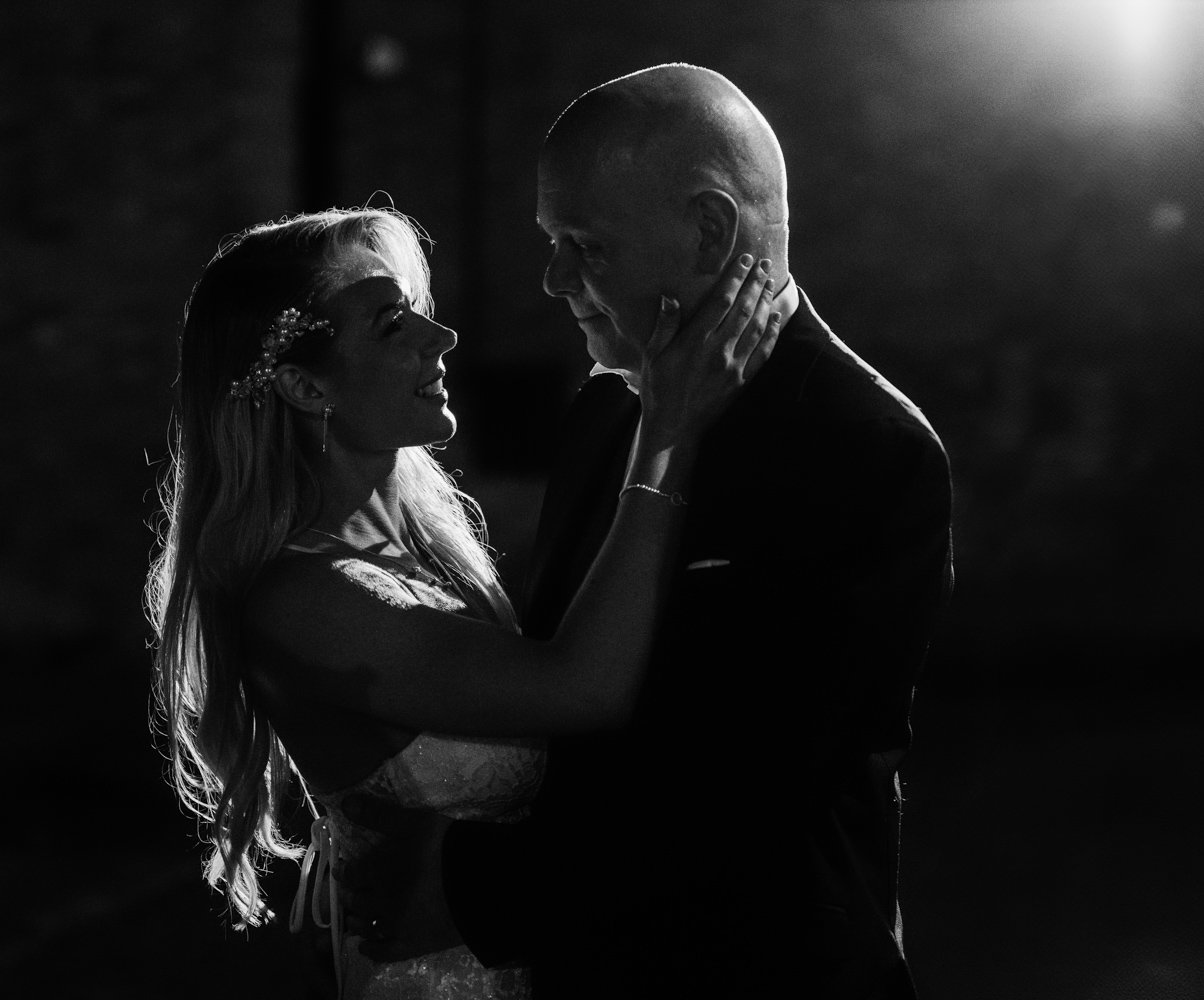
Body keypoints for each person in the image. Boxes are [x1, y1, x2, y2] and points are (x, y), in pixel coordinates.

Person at [350, 64, 955, 997]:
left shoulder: (865, 447)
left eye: (585, 245)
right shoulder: (604, 413)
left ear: (710, 233)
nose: (554, 280)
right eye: (551, 242)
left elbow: (740, 792)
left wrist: (453, 888)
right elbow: (560, 680)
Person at [146, 206, 781, 998]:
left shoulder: (420, 547)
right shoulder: (307, 598)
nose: (439, 340)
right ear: (306, 386)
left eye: (420, 309)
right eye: (390, 324)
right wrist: (669, 434)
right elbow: (582, 687)